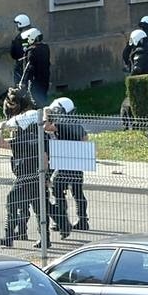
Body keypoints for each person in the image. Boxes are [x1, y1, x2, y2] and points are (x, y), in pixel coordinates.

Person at [0, 88, 48, 249]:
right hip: (37, 176)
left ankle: (9, 236)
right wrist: (44, 177)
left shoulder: (21, 139)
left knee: (11, 202)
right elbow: (45, 157)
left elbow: (0, 144)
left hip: (23, 177)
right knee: (40, 209)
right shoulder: (40, 137)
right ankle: (45, 239)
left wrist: (0, 128)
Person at [45, 97, 89, 238]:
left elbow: (46, 127)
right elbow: (85, 138)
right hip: (76, 161)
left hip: (65, 162)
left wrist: (46, 114)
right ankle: (83, 220)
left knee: (57, 189)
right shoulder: (76, 123)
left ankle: (62, 221)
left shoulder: (60, 123)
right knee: (77, 192)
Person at [20, 27, 51, 108]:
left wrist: (23, 82)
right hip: (45, 79)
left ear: (32, 38)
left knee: (35, 103)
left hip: (35, 81)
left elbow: (29, 67)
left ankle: (39, 118)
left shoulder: (32, 50)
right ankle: (46, 116)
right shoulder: (45, 48)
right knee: (43, 99)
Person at [10, 14, 31, 85]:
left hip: (21, 66)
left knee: (19, 86)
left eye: (16, 25)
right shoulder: (33, 34)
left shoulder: (19, 38)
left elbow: (14, 54)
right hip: (31, 65)